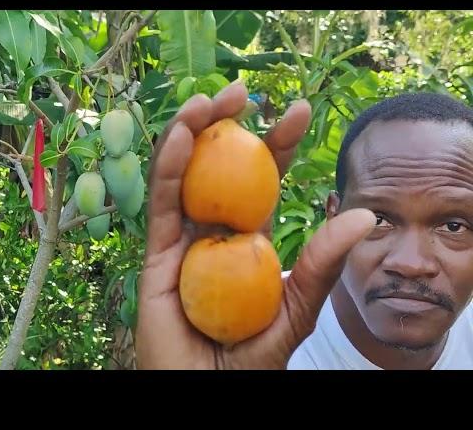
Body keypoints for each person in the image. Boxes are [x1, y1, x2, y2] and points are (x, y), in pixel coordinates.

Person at [135, 80, 473, 370]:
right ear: (333, 216)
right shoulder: (247, 327)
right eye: (378, 220)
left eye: (454, 227)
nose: (411, 263)